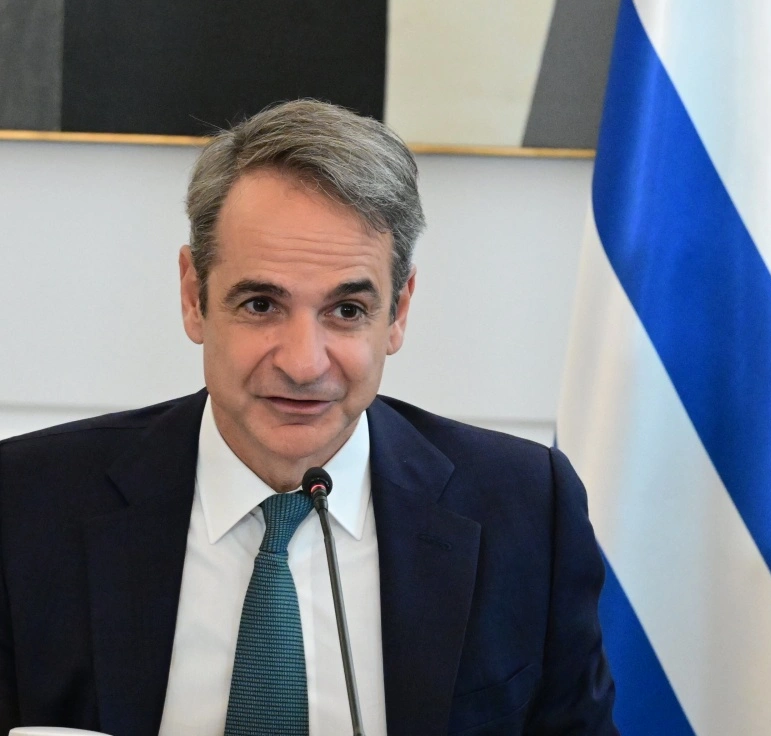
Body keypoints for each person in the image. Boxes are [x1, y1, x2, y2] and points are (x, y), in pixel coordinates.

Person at [0, 100, 617, 735]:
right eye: (261, 304)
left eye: (347, 311)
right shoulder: (26, 502)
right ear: (193, 296)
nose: (303, 363)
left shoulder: (524, 509)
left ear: (398, 312)